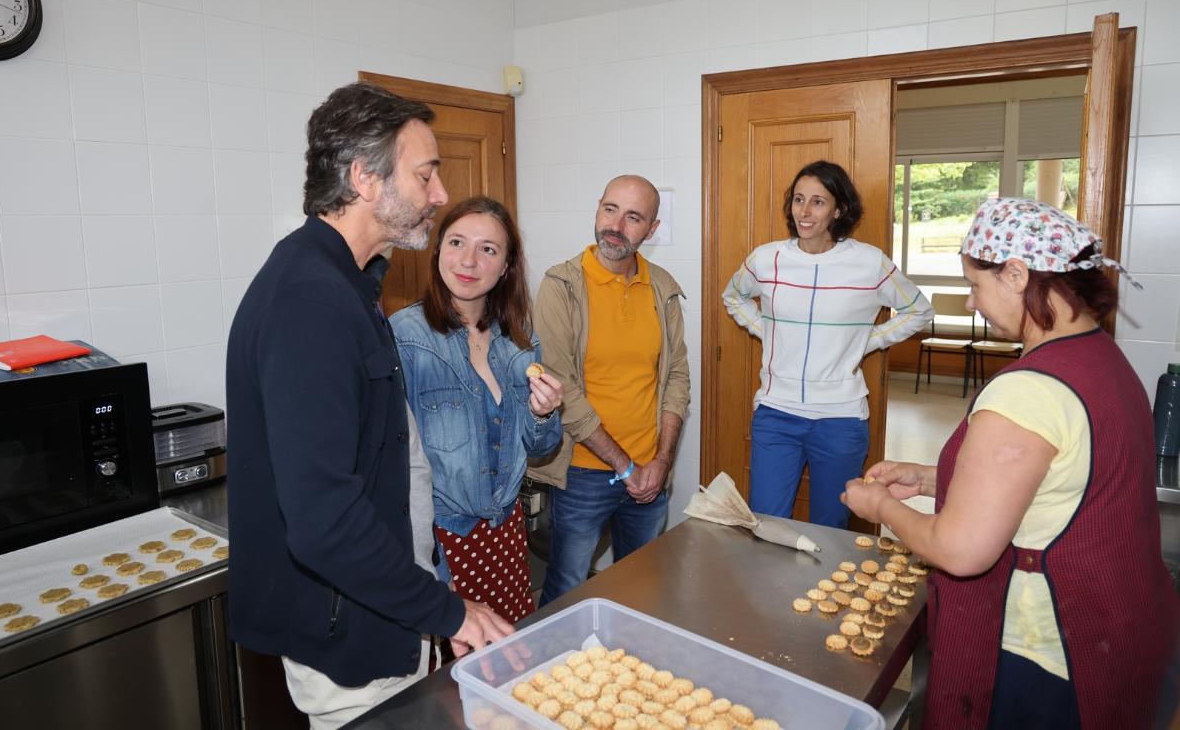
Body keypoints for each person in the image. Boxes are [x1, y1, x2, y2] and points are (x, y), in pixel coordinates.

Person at [226, 82, 513, 730]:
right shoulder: (309, 301)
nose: (439, 194)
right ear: (363, 177)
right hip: (347, 632)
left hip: (381, 611)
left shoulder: (348, 287)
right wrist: (449, 612)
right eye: (426, 174)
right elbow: (324, 520)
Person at [842, 198, 1180, 729]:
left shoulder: (1028, 391)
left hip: (1050, 648)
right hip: (1123, 628)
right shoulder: (1101, 356)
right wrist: (930, 479)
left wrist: (879, 506)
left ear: (1017, 275)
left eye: (975, 285)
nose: (972, 301)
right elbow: (1059, 478)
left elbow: (960, 551)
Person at [722, 160, 932, 528]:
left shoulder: (869, 263)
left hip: (841, 418)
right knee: (765, 524)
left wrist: (866, 341)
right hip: (776, 412)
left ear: (839, 209)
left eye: (818, 202)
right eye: (798, 199)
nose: (804, 211)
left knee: (830, 528)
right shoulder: (767, 259)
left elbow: (919, 310)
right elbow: (733, 296)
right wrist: (769, 331)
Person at [391, 197, 564, 625]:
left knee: (510, 654)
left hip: (506, 538)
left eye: (488, 249)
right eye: (457, 242)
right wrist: (426, 567)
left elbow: (541, 447)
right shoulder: (405, 338)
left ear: (506, 266)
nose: (468, 260)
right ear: (437, 251)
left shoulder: (519, 340)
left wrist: (544, 413)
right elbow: (393, 464)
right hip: (440, 542)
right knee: (451, 663)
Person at [531, 174, 690, 608]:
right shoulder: (561, 286)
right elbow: (562, 390)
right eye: (610, 210)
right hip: (583, 473)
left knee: (641, 589)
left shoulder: (662, 288)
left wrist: (661, 462)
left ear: (652, 229)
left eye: (633, 217)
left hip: (651, 473)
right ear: (598, 208)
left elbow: (677, 377)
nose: (616, 226)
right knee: (567, 590)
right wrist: (625, 466)